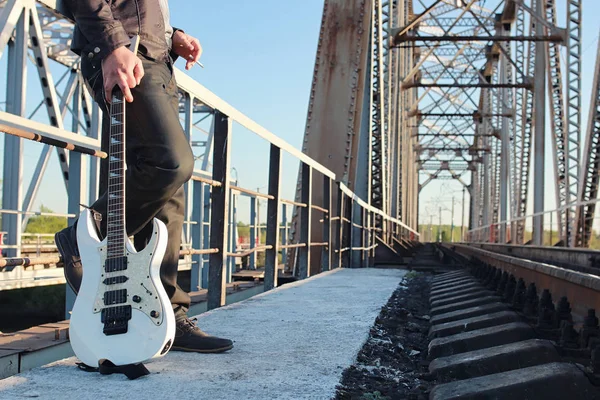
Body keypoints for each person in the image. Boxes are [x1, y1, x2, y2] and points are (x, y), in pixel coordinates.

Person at [55, 0, 233, 354]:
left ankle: (168, 314)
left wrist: (171, 34)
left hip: (156, 58)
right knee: (170, 163)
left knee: (168, 195)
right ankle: (84, 235)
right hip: (125, 53)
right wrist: (113, 46)